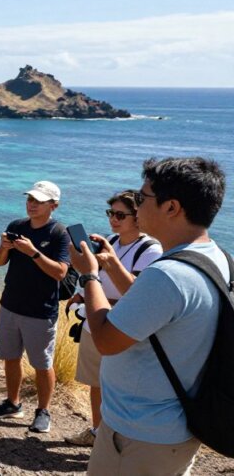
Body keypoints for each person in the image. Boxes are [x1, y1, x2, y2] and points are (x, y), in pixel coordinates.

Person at [72, 158, 227, 475]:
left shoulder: (167, 275)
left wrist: (88, 275)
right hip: (175, 424)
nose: (136, 205)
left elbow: (105, 340)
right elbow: (153, 310)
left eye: (142, 198)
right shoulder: (219, 257)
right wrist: (113, 265)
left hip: (139, 433)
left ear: (171, 208)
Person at [64, 190, 162, 447]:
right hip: (96, 323)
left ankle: (119, 441)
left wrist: (106, 268)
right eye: (111, 213)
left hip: (122, 329)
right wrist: (83, 296)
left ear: (137, 217)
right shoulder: (111, 241)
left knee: (120, 388)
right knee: (96, 383)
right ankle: (97, 433)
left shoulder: (150, 250)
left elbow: (138, 295)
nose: (113, 219)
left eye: (121, 215)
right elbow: (96, 279)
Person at [0, 181, 70, 434]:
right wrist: (4, 247)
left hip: (40, 310)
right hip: (10, 304)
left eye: (39, 201)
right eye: (30, 199)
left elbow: (61, 273)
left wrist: (33, 252)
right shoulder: (17, 227)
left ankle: (43, 411)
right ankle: (13, 403)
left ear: (53, 205)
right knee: (10, 358)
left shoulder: (59, 233)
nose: (31, 204)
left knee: (42, 364)